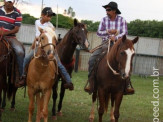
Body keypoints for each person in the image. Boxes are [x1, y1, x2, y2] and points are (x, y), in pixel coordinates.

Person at [16, 7, 74, 90]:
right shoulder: (37, 22)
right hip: (38, 47)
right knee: (26, 58)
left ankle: (68, 81)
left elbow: (53, 36)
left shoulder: (51, 26)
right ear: (42, 15)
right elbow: (38, 34)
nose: (49, 18)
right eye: (48, 16)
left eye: (51, 17)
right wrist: (36, 40)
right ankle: (23, 76)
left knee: (59, 64)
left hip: (47, 48)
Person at [84, 1, 134, 95]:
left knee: (127, 60)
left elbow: (125, 33)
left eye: (108, 10)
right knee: (92, 59)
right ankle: (91, 83)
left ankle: (127, 85)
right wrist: (108, 32)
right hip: (105, 44)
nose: (106, 11)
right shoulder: (104, 20)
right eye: (106, 9)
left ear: (114, 11)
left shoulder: (122, 20)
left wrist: (116, 36)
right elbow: (99, 32)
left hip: (119, 45)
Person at [0, 0, 25, 84]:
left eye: (10, 1)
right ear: (4, 1)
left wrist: (5, 33)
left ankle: (20, 76)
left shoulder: (17, 13)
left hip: (11, 37)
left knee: (20, 52)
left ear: (13, 2)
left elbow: (16, 29)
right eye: (7, 1)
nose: (8, 3)